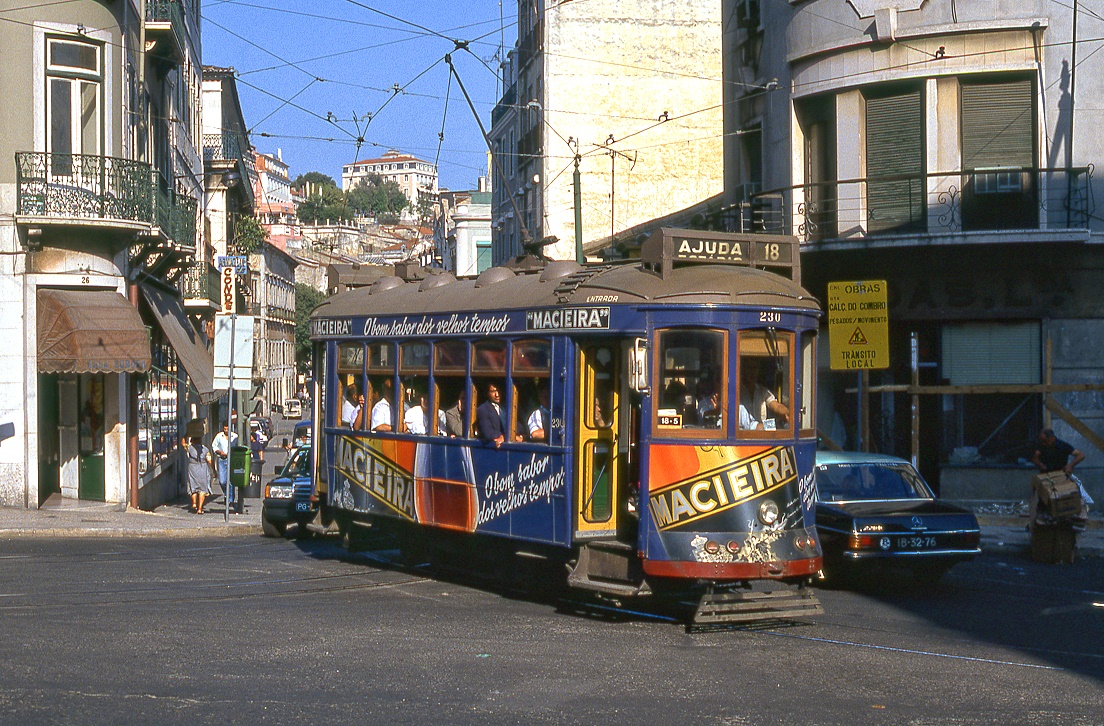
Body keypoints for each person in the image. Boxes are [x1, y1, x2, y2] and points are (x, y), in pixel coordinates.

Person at [740, 358, 789, 429]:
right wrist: (775, 424)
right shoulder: (736, 393)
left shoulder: (762, 391)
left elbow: (776, 406)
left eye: (755, 368)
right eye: (749, 368)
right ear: (743, 370)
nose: (752, 372)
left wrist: (788, 413)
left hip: (762, 436)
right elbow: (753, 427)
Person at [183, 435, 214, 514]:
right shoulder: (205, 449)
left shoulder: (189, 448)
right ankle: (200, 509)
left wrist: (185, 435)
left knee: (193, 486)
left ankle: (194, 504)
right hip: (202, 468)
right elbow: (209, 460)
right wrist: (214, 470)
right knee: (202, 489)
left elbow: (183, 443)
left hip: (192, 468)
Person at [211, 422, 238, 508]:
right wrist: (220, 452)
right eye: (224, 429)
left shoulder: (235, 436)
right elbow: (214, 446)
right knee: (222, 481)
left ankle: (230, 499)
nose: (226, 430)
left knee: (231, 481)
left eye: (227, 428)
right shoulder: (219, 436)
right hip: (222, 460)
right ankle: (227, 494)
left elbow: (238, 446)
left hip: (232, 459)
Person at [476, 382, 506, 447]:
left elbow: (519, 425)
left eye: (498, 391)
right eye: (493, 391)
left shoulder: (508, 407)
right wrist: (506, 436)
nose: (497, 395)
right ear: (488, 393)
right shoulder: (483, 409)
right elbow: (488, 432)